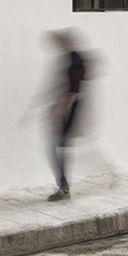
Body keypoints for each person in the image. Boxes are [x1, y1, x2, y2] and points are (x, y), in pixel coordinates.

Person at [46, 29, 86, 201]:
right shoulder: (74, 58)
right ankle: (64, 186)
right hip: (71, 109)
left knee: (57, 149)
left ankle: (64, 188)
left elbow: (74, 91)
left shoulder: (74, 60)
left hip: (71, 110)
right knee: (59, 149)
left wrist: (62, 112)